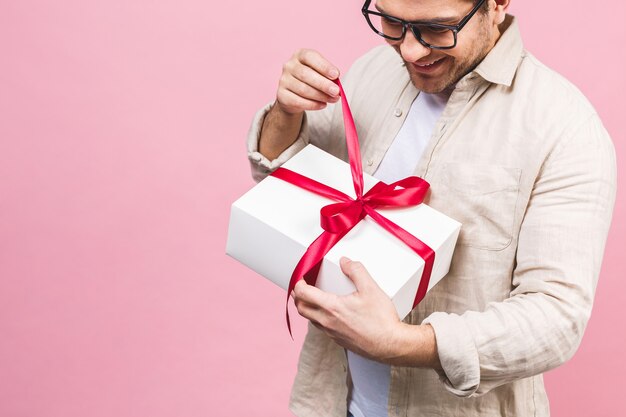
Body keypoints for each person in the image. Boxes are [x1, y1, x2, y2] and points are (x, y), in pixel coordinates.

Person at [245, 0, 616, 416]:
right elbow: (284, 190)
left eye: (438, 29)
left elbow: (556, 319)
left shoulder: (565, 127)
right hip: (330, 401)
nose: (409, 51)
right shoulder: (372, 71)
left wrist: (402, 343)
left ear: (497, 4)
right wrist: (287, 111)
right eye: (391, 22)